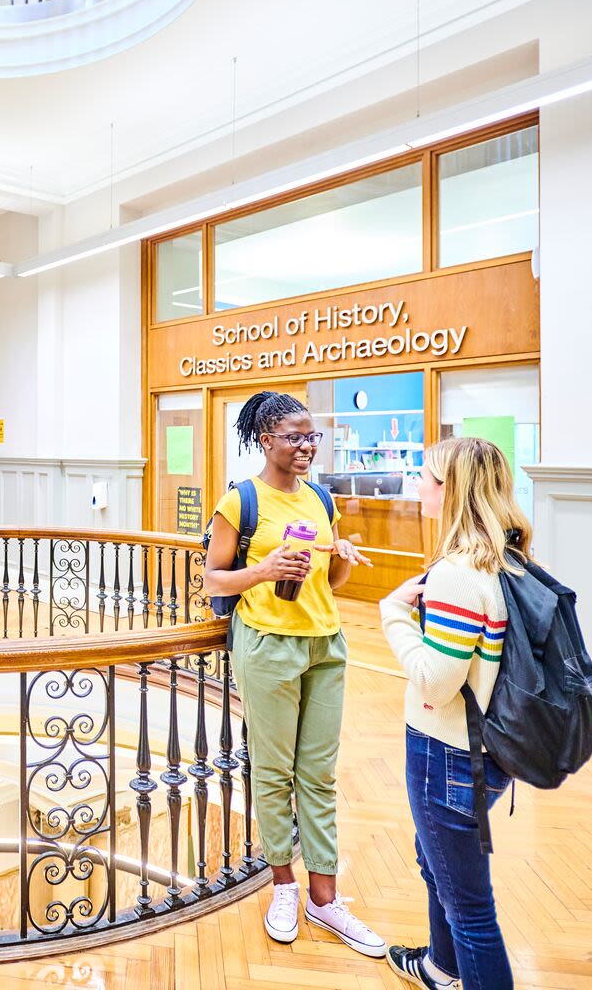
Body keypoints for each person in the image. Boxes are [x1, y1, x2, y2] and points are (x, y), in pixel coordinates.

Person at [204, 390, 386, 957]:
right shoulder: (241, 502)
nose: (307, 447)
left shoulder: (322, 501)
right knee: (274, 771)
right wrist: (262, 570)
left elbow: (325, 588)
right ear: (267, 441)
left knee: (319, 774)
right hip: (268, 649)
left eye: (313, 437)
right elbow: (213, 579)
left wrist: (341, 563)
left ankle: (325, 899)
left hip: (325, 647)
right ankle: (284, 886)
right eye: (295, 437)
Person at [380, 437, 532, 990]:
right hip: (490, 747)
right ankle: (441, 968)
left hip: (446, 751)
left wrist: (393, 613)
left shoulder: (455, 575)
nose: (418, 485)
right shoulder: (511, 559)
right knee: (437, 863)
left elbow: (436, 683)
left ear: (452, 491)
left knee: (470, 909)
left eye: (426, 476)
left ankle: (452, 964)